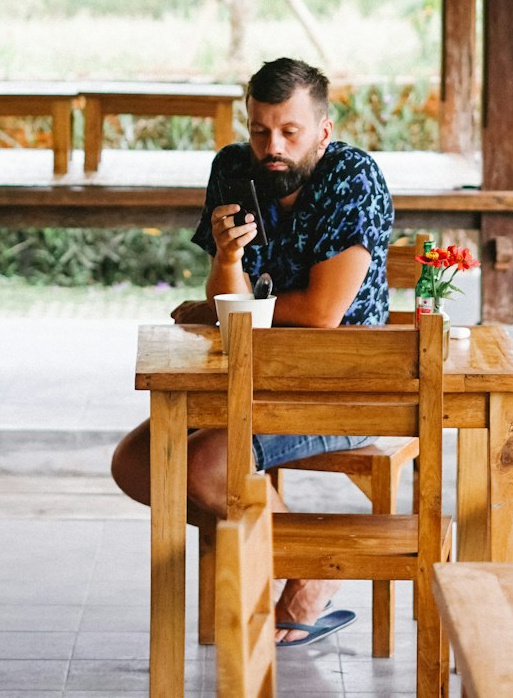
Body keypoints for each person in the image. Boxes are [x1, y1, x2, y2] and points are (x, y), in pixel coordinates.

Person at [111, 56, 393, 646]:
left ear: (323, 130)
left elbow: (321, 315)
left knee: (203, 466)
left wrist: (231, 308)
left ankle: (312, 569)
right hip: (254, 376)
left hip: (345, 385)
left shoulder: (353, 178)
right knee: (137, 464)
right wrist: (227, 261)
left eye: (289, 131)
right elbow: (229, 300)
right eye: (261, 130)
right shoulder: (233, 171)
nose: (273, 147)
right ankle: (306, 553)